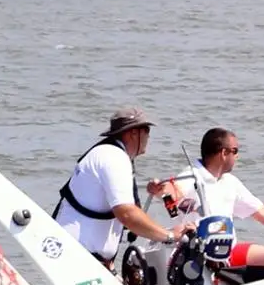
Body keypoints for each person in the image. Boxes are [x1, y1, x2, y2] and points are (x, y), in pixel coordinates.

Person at [53, 108, 191, 269]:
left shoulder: (110, 154)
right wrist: (170, 236)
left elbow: (128, 217)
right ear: (132, 133)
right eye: (146, 130)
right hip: (77, 258)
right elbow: (127, 214)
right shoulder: (113, 158)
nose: (148, 136)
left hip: (82, 256)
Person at [147, 127, 264, 273]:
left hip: (228, 250)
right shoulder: (191, 177)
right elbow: (173, 190)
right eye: (235, 151)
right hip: (199, 254)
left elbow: (261, 212)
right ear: (224, 153)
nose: (237, 156)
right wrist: (160, 189)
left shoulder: (230, 182)